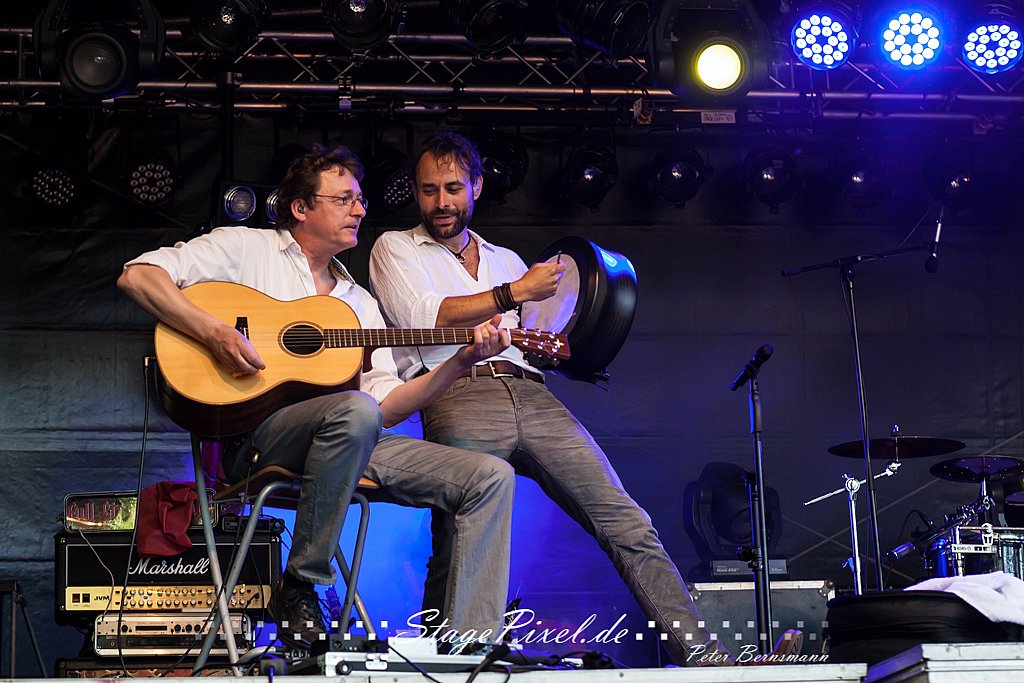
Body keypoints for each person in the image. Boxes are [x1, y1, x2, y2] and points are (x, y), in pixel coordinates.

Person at [117, 144, 516, 650]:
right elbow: (138, 275)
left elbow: (385, 405)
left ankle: (469, 646)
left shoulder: (358, 303)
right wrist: (213, 332)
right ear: (301, 207)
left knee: (489, 476)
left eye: (360, 199)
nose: (360, 209)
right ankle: (302, 584)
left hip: (353, 437)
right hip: (256, 440)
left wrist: (459, 361)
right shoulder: (246, 249)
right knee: (355, 410)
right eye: (344, 199)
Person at [367, 130, 730, 665]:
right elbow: (421, 317)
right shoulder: (395, 247)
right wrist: (515, 294)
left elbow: (535, 337)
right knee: (461, 532)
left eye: (452, 188)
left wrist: (560, 346)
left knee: (625, 520)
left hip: (533, 395)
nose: (440, 202)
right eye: (428, 190)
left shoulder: (508, 259)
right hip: (457, 390)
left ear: (476, 186)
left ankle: (703, 655)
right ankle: (450, 662)